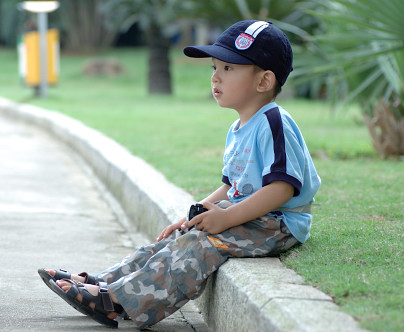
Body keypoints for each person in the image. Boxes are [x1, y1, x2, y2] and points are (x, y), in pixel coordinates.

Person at [38, 20, 321, 330]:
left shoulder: (274, 121)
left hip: (277, 222)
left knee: (200, 245)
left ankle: (119, 302)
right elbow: (232, 185)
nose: (215, 77)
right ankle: (104, 283)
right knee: (181, 235)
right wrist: (194, 214)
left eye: (229, 68)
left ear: (264, 81)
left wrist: (226, 219)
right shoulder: (239, 127)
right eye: (214, 67)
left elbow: (281, 189)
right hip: (251, 214)